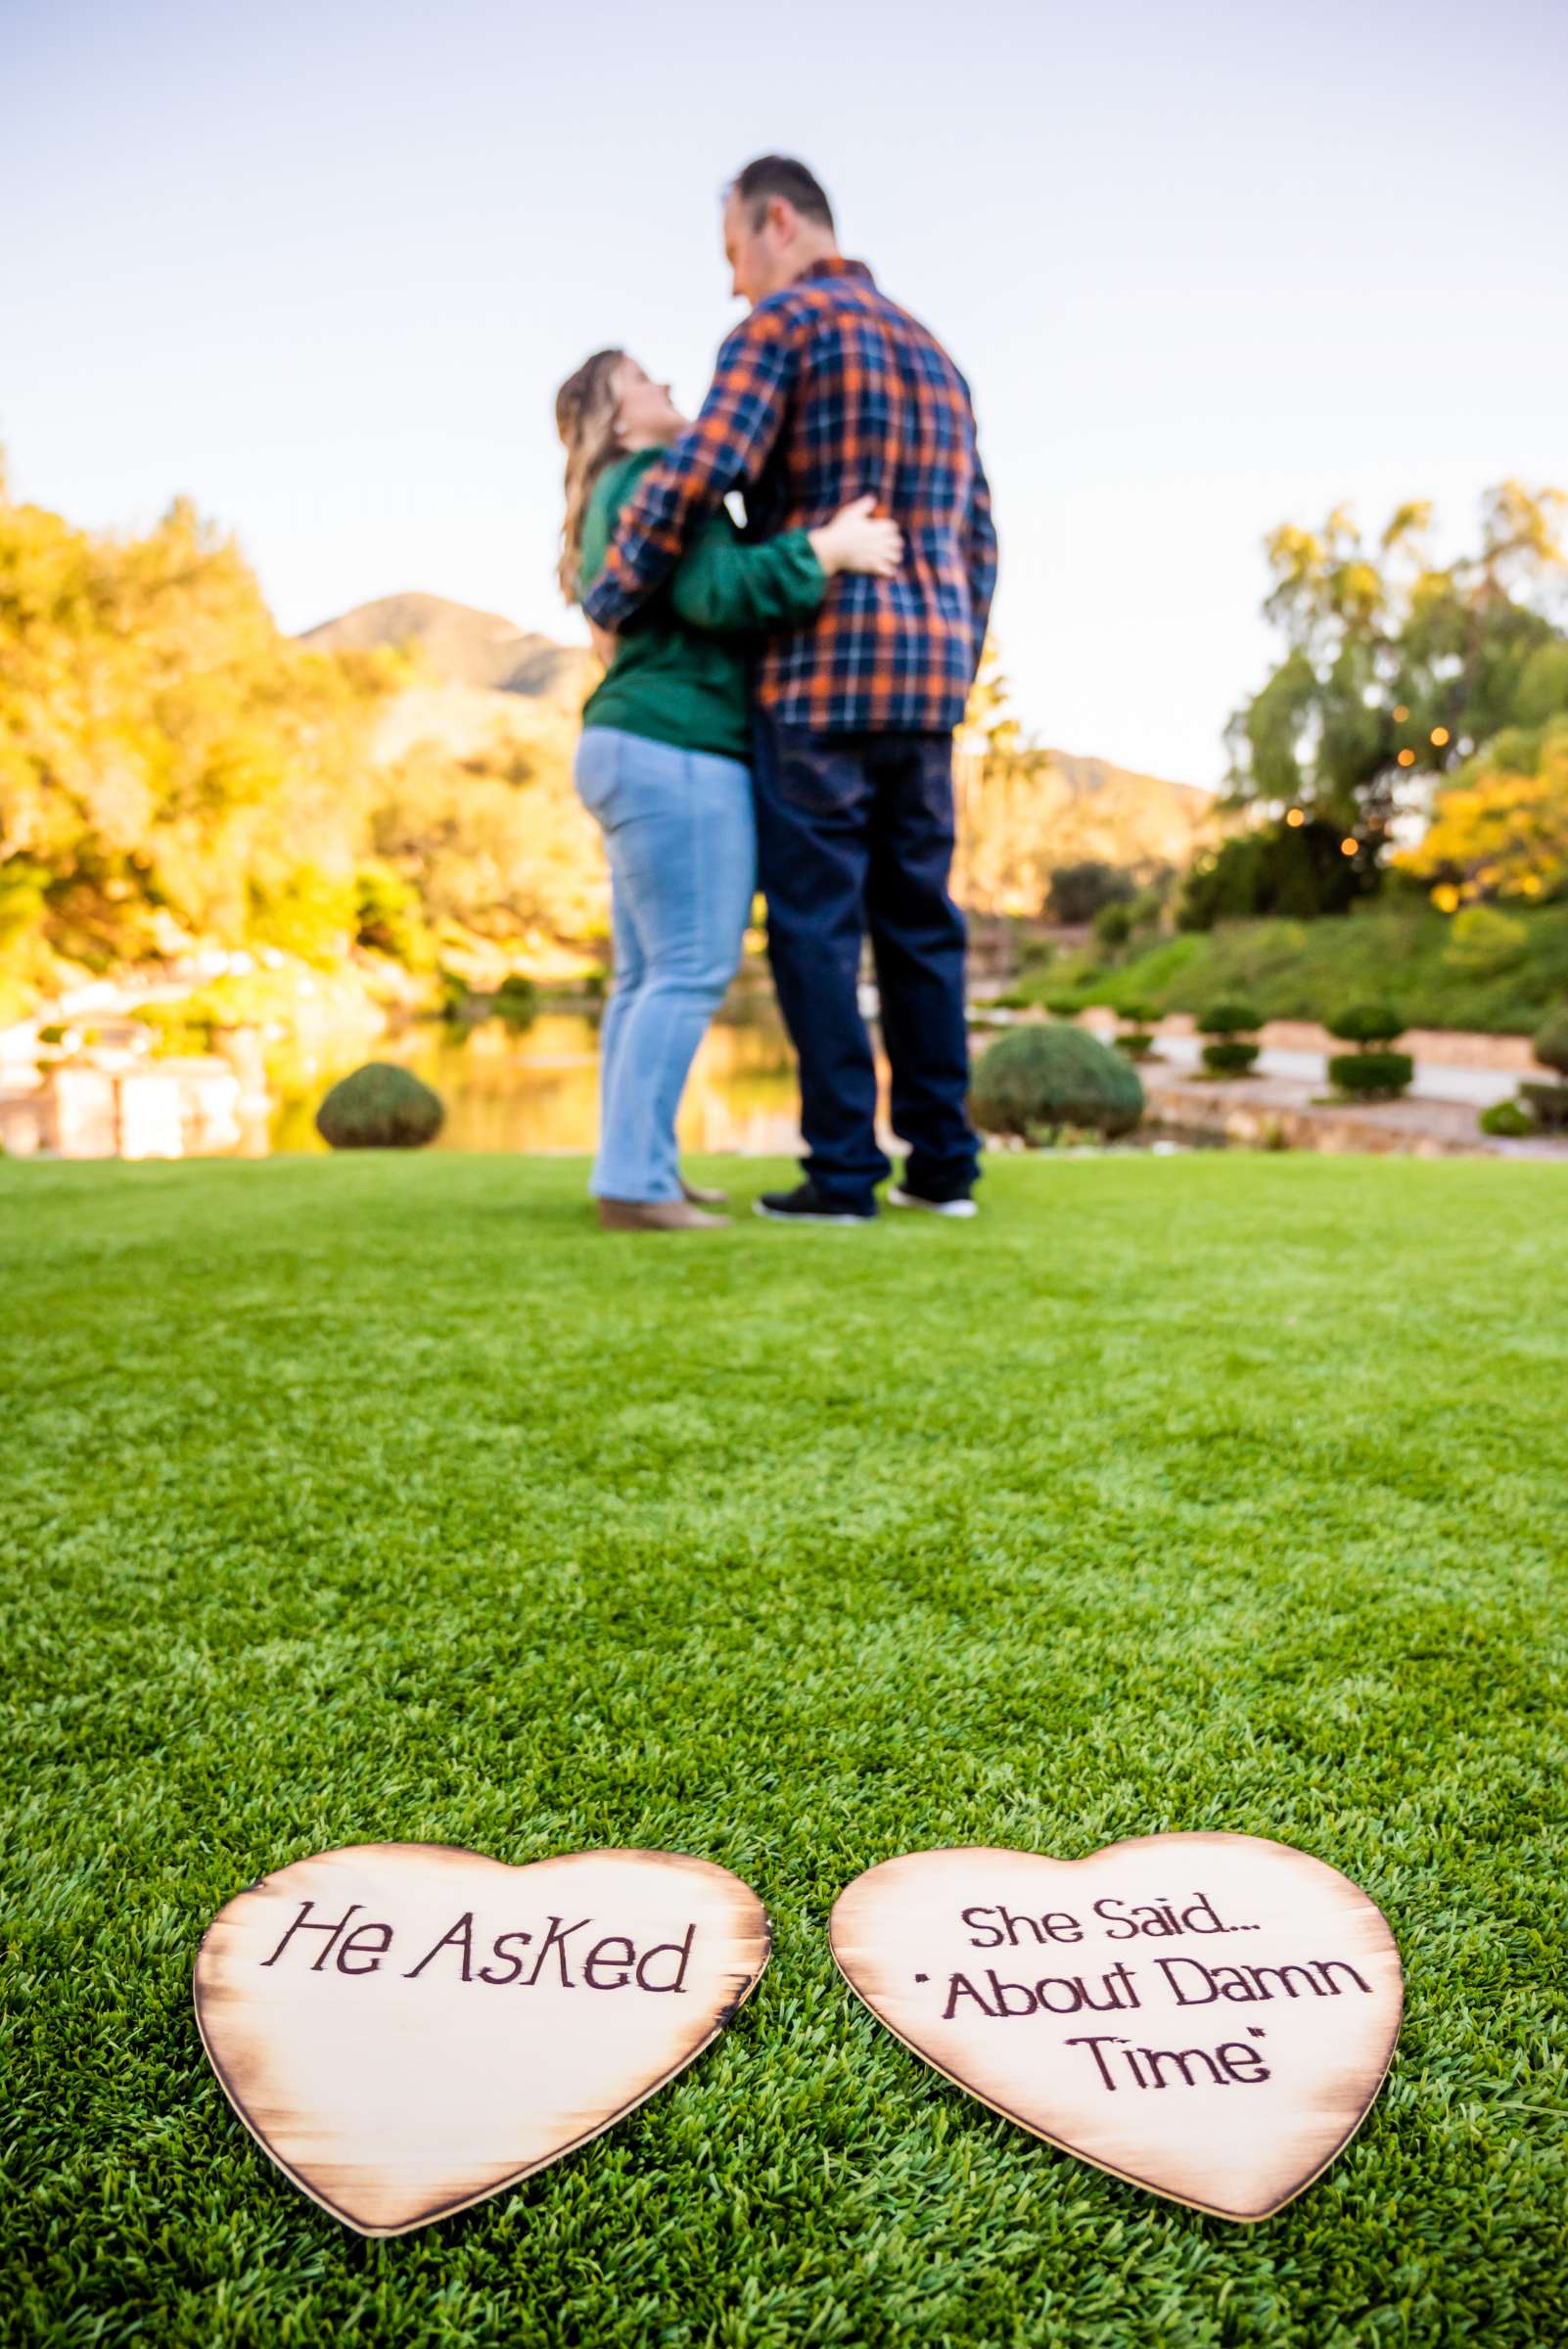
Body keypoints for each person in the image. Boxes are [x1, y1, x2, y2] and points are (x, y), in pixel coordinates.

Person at [584, 156, 997, 1225]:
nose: (733, 284)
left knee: (816, 928)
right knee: (922, 926)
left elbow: (702, 471)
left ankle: (846, 1177)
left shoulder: (781, 331)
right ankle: (944, 1172)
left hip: (815, 687)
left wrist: (616, 589)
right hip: (925, 693)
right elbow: (980, 536)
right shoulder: (937, 356)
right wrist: (955, 652)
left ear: (777, 221)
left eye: (733, 253)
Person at [557, 347, 902, 1231]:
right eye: (641, 377)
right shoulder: (663, 477)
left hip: (626, 743)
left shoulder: (610, 495)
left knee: (643, 978)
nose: (666, 384)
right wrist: (826, 548)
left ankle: (642, 1167)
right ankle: (635, 1184)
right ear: (617, 415)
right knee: (686, 972)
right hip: (678, 747)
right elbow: (718, 592)